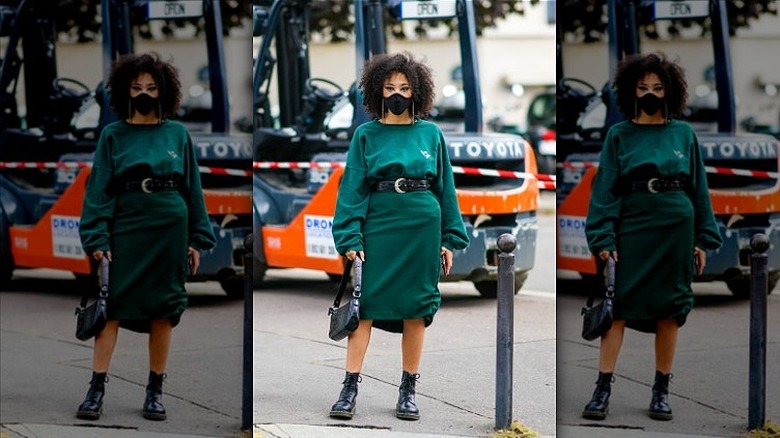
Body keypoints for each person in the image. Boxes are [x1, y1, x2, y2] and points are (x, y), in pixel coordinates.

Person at [582, 52, 722, 421]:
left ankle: (661, 390)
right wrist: (603, 239)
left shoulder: (683, 134)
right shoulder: (619, 134)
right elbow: (606, 190)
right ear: (630, 90)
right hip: (632, 228)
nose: (650, 93)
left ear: (670, 92)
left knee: (669, 311)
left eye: (658, 88)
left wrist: (703, 238)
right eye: (643, 87)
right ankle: (602, 389)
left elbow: (699, 188)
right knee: (617, 310)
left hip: (676, 229)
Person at [329, 52, 469, 421]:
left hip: (422, 228)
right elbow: (353, 190)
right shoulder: (366, 134)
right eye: (390, 87)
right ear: (377, 91)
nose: (397, 94)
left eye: (404, 88)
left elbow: (446, 188)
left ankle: (408, 390)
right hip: (379, 226)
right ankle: (349, 388)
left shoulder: (431, 133)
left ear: (416, 92)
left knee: (416, 310)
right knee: (364, 308)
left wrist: (450, 238)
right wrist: (349, 239)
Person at [77, 52, 216, 421]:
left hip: (169, 230)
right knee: (110, 311)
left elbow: (193, 188)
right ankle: (96, 389)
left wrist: (197, 238)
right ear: (124, 90)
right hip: (125, 229)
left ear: (164, 92)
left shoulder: (177, 133)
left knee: (163, 312)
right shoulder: (113, 134)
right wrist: (97, 239)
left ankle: (155, 390)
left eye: (151, 87)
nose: (143, 93)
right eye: (137, 87)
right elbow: (99, 191)